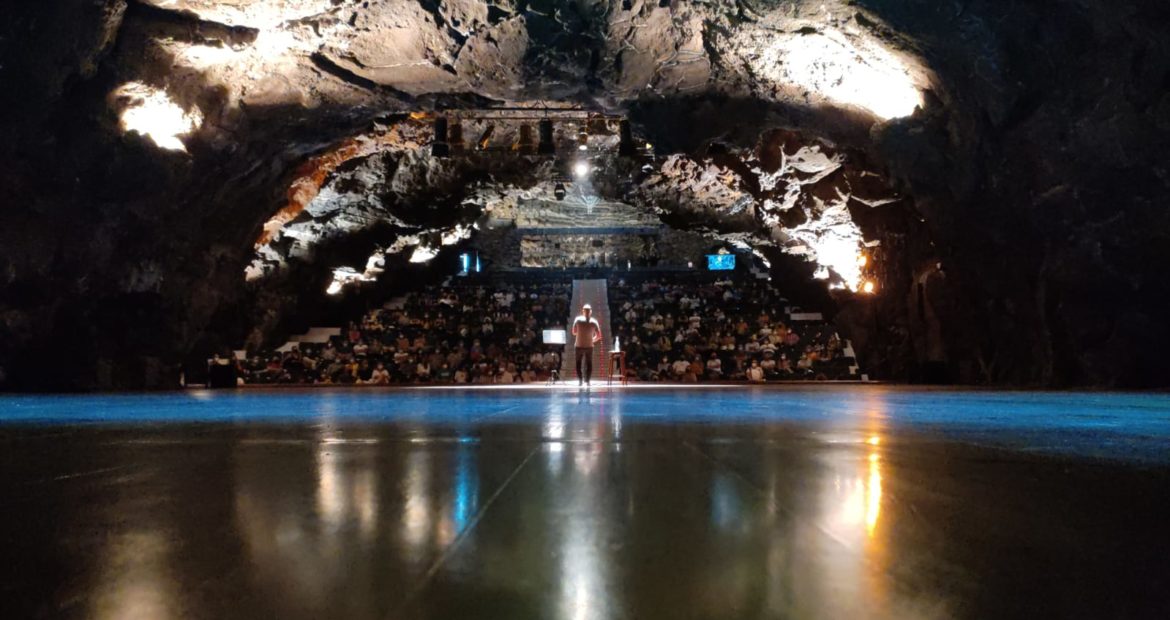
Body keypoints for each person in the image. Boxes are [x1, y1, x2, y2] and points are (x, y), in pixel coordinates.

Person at [571, 303, 602, 386]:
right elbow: (599, 336)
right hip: (587, 345)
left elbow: (574, 332)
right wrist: (592, 339)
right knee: (588, 364)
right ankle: (587, 381)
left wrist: (581, 333)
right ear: (590, 311)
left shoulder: (578, 320)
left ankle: (581, 380)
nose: (588, 312)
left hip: (580, 345)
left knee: (579, 363)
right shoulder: (594, 321)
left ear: (583, 311)